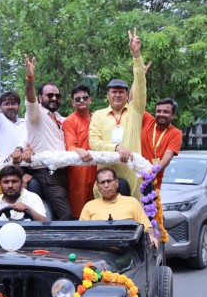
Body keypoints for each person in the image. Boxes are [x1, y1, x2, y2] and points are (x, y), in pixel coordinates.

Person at [89, 28, 146, 199]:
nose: (118, 95)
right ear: (108, 95)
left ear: (128, 95)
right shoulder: (98, 115)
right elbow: (94, 142)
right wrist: (116, 148)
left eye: (122, 91)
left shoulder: (135, 111)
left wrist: (136, 56)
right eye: (113, 91)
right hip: (105, 176)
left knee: (132, 216)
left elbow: (141, 85)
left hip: (132, 174)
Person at [19, 54, 72, 221]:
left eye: (57, 96)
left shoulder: (59, 118)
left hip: (62, 171)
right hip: (47, 172)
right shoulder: (36, 113)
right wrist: (30, 77)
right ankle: (62, 246)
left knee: (59, 213)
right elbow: (29, 97)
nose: (54, 98)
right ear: (40, 98)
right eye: (50, 95)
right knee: (65, 215)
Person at [80, 168, 158, 248]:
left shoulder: (132, 202)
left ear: (117, 183)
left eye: (109, 181)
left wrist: (150, 236)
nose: (106, 185)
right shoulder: (89, 206)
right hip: (97, 252)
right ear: (97, 186)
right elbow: (80, 233)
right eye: (102, 182)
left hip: (127, 251)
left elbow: (147, 227)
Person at [62, 84, 97, 219]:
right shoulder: (69, 121)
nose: (81, 100)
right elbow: (70, 146)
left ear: (90, 100)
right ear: (72, 103)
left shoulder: (97, 118)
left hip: (98, 167)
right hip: (79, 169)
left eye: (84, 97)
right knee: (79, 204)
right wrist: (79, 150)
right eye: (77, 99)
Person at [0, 59, 27, 163]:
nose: (10, 107)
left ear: (19, 106)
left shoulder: (25, 123)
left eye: (14, 103)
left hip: (27, 170)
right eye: (6, 104)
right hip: (6, 172)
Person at [141, 98, 183, 190]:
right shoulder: (147, 121)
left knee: (150, 204)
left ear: (173, 115)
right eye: (158, 111)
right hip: (135, 175)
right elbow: (133, 101)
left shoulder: (176, 133)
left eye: (166, 112)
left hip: (153, 180)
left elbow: (168, 156)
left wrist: (154, 172)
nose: (161, 114)